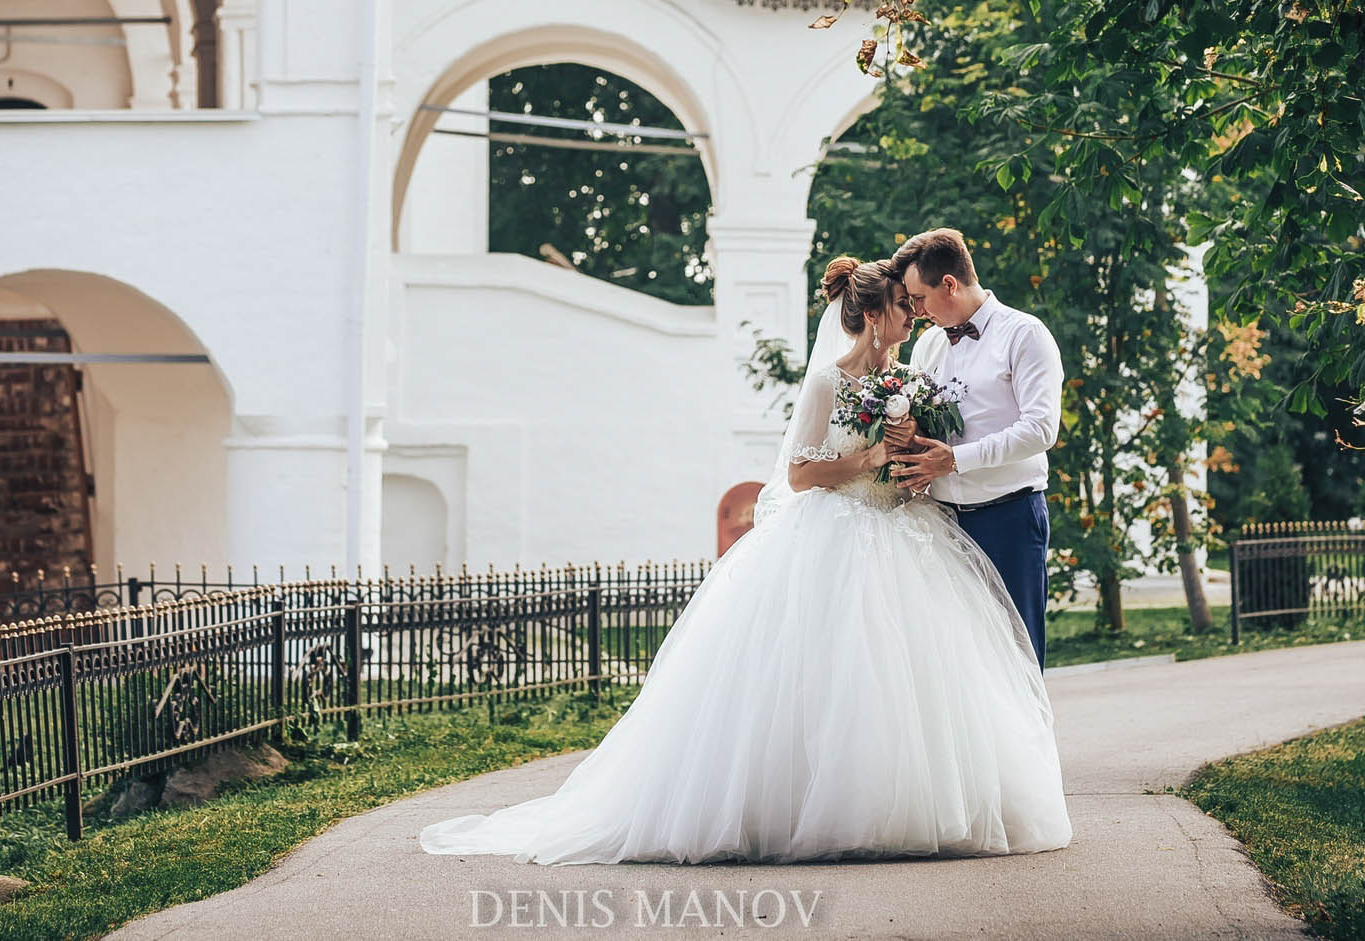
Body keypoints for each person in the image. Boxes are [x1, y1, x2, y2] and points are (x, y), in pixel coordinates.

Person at [417, 256, 1072, 865]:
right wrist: (869, 459)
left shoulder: (905, 377)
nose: (913, 315)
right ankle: (812, 808)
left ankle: (916, 806)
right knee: (832, 674)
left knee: (913, 673)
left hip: (901, 529)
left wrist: (907, 460)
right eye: (904, 305)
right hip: (837, 534)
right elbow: (800, 471)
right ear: (875, 314)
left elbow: (916, 458)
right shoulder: (827, 379)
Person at [887, 228, 1064, 661]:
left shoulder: (1025, 334)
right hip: (943, 524)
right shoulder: (928, 345)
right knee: (959, 663)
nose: (916, 311)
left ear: (949, 284)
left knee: (1018, 652)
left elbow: (1041, 429)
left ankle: (1031, 733)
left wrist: (956, 460)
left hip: (1009, 517)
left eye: (920, 299)